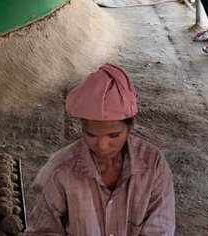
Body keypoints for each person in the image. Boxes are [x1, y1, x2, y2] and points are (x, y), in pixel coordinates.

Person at [27, 64, 176, 236]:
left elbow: (160, 228)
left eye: (113, 135)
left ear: (130, 125)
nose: (102, 146)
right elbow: (42, 231)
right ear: (82, 127)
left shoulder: (153, 165)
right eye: (91, 135)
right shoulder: (59, 171)